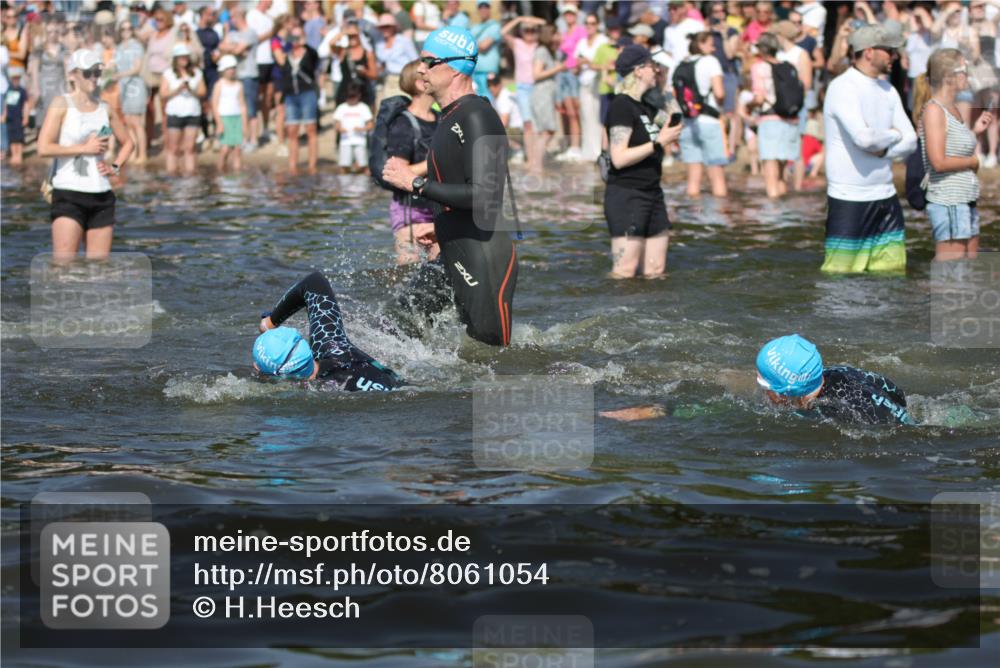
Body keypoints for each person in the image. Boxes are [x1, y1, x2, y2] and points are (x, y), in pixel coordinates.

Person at [381, 26, 518, 347]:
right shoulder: (450, 116)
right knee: (394, 329)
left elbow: (486, 196)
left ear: (455, 67)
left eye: (429, 61)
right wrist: (442, 227)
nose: (420, 69)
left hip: (483, 256)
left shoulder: (478, 116)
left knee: (491, 356)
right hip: (452, 246)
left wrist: (415, 183)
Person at [822, 24, 916, 274]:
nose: (894, 57)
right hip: (849, 197)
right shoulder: (842, 87)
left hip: (886, 195)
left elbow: (912, 140)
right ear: (869, 52)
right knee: (839, 279)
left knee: (892, 275)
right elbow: (864, 139)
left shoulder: (888, 89)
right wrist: (895, 135)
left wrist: (886, 150)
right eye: (889, 51)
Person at [37, 49, 134, 260]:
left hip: (101, 194)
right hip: (68, 193)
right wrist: (83, 148)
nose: (94, 78)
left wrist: (115, 167)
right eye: (88, 73)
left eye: (97, 72)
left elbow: (128, 143)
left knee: (98, 270)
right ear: (73, 74)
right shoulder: (61, 103)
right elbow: (43, 147)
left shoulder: (105, 108)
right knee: (64, 268)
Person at [604, 44, 682, 279]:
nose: (656, 70)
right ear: (638, 70)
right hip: (627, 195)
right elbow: (618, 158)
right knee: (625, 272)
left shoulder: (647, 106)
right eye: (652, 66)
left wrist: (665, 85)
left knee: (656, 271)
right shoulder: (621, 105)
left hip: (653, 193)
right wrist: (658, 143)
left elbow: (676, 122)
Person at [254, 272, 402, 391]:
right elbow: (314, 282)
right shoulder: (331, 344)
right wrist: (270, 321)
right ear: (303, 344)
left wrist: (264, 378)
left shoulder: (315, 398)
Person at [919, 48, 994, 261]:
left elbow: (951, 145)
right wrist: (972, 161)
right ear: (949, 77)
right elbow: (938, 161)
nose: (968, 76)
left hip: (965, 198)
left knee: (968, 267)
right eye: (965, 70)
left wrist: (975, 131)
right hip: (948, 200)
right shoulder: (934, 110)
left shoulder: (952, 108)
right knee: (949, 273)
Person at [755, 334, 913, 425]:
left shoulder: (833, 411)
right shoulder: (838, 371)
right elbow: (895, 391)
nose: (764, 393)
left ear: (786, 391)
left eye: (764, 386)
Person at [387, 59, 439, 265]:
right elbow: (396, 173)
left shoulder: (440, 119)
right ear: (420, 83)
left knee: (441, 271)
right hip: (409, 208)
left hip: (437, 206)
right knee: (409, 268)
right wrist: (433, 163)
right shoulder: (403, 123)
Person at [676, 31, 728, 198]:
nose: (714, 48)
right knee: (717, 176)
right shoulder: (711, 62)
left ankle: (694, 216)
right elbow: (719, 93)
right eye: (711, 44)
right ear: (701, 44)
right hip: (709, 121)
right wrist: (721, 107)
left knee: (693, 180)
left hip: (688, 122)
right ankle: (719, 219)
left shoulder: (682, 63)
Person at [502, 15, 546, 177]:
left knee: (538, 124)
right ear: (522, 32)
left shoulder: (539, 46)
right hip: (522, 88)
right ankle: (530, 158)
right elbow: (503, 32)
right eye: (526, 30)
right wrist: (520, 19)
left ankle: (536, 157)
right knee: (528, 124)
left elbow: (546, 26)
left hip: (538, 87)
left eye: (533, 31)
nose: (530, 33)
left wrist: (534, 21)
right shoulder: (518, 44)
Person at [275, 23, 319, 174]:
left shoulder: (309, 53)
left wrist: (303, 43)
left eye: (298, 36)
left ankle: (312, 165)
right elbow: (284, 76)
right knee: (292, 130)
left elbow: (315, 57)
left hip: (307, 94)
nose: (295, 40)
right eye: (292, 36)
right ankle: (293, 165)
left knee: (310, 129)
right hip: (291, 96)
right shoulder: (287, 56)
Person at [160, 43, 205, 175]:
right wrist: (178, 89)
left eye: (185, 57)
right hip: (174, 113)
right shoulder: (168, 74)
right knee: (173, 147)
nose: (184, 59)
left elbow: (203, 92)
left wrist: (191, 89)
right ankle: (172, 173)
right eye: (181, 57)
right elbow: (163, 94)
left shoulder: (197, 73)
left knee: (190, 147)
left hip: (193, 112)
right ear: (175, 59)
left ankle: (190, 174)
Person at [219, 7, 259, 154]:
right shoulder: (233, 33)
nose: (230, 20)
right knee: (238, 107)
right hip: (236, 76)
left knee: (250, 109)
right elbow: (222, 46)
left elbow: (236, 50)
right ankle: (241, 138)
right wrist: (233, 45)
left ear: (239, 17)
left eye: (232, 17)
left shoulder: (251, 33)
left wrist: (233, 47)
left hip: (249, 74)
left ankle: (253, 140)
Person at [529, 25, 563, 174]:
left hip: (546, 95)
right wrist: (558, 68)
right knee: (547, 131)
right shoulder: (542, 51)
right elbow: (536, 74)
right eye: (556, 34)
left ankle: (535, 165)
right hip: (541, 95)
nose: (559, 37)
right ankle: (536, 167)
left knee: (544, 131)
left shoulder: (550, 52)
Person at [575, 14, 609, 162]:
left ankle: (598, 151)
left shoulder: (603, 41)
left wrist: (589, 63)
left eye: (593, 23)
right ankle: (588, 151)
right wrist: (578, 65)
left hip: (598, 83)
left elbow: (608, 65)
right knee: (585, 116)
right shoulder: (581, 42)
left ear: (598, 24)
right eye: (587, 23)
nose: (590, 26)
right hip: (583, 82)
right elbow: (575, 65)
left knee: (597, 118)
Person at [113, 21, 148, 164]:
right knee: (128, 122)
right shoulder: (119, 47)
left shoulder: (136, 46)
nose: (126, 31)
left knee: (137, 122)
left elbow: (137, 68)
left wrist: (120, 75)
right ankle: (133, 153)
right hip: (124, 88)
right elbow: (115, 66)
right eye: (123, 29)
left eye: (129, 28)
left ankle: (143, 154)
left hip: (136, 86)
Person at [555, 5, 585, 161]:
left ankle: (578, 146)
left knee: (576, 112)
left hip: (574, 74)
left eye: (571, 13)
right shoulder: (564, 33)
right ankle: (571, 146)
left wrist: (578, 67)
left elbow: (583, 52)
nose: (569, 16)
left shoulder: (581, 31)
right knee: (568, 112)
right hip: (564, 74)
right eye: (566, 14)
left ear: (576, 15)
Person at [212, 54, 248, 172]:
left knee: (237, 149)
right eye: (229, 68)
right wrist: (219, 123)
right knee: (225, 149)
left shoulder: (239, 85)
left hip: (236, 118)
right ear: (223, 70)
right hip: (224, 118)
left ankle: (236, 177)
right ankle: (221, 173)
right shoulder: (219, 85)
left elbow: (242, 105)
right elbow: (214, 105)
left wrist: (244, 124)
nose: (231, 71)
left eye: (233, 68)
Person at [247, 0, 276, 144]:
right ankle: (253, 132)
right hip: (258, 60)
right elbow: (252, 39)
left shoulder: (269, 17)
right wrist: (270, 33)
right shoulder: (252, 15)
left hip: (271, 60)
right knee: (256, 97)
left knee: (268, 96)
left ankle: (266, 128)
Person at [374, 13, 417, 101]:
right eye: (382, 27)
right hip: (387, 80)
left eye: (387, 26)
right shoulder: (379, 44)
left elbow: (415, 61)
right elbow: (379, 64)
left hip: (404, 79)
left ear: (394, 27)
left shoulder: (404, 41)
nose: (385, 29)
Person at [333, 80, 373, 173]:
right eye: (348, 97)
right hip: (345, 141)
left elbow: (371, 125)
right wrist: (339, 128)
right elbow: (336, 123)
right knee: (344, 166)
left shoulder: (363, 107)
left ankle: (364, 183)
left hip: (360, 141)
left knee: (364, 166)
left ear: (358, 96)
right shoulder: (341, 107)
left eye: (353, 97)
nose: (350, 100)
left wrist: (362, 129)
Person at [470, 1, 501, 99]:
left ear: (490, 9)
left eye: (486, 7)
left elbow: (484, 46)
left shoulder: (495, 26)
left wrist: (473, 43)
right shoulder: (474, 27)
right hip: (475, 72)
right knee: (477, 101)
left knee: (490, 101)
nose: (483, 9)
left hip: (489, 72)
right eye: (481, 7)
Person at [2, 65, 26, 166]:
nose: (15, 80)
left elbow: (26, 104)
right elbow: (6, 104)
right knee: (12, 137)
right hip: (10, 118)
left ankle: (19, 155)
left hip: (18, 118)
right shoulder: (9, 89)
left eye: (17, 78)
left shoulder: (22, 90)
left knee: (19, 137)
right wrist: (4, 115)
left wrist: (25, 117)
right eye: (13, 78)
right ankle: (14, 155)